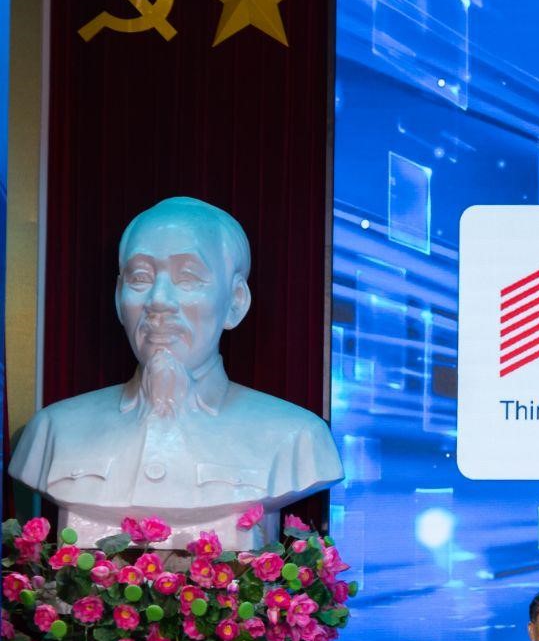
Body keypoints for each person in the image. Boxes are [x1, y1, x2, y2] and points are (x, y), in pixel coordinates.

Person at [8, 196, 341, 540]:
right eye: (140, 277)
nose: (159, 301)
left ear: (235, 302)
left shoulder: (296, 438)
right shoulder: (53, 431)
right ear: (119, 298)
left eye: (188, 279)